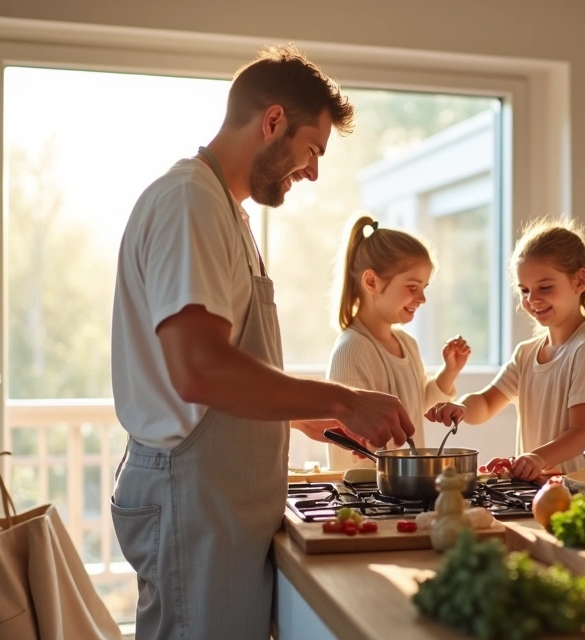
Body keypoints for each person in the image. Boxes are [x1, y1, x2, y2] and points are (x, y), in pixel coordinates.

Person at [109, 44, 415, 640]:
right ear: (272, 120)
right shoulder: (189, 202)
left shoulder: (227, 212)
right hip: (192, 498)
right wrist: (342, 400)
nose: (314, 171)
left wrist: (309, 419)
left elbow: (232, 370)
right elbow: (199, 370)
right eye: (312, 150)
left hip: (216, 500)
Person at [425, 218, 585, 480]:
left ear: (579, 281)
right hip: (540, 491)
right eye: (524, 290)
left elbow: (583, 431)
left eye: (545, 287)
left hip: (578, 495)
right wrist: (461, 408)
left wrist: (537, 458)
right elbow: (486, 403)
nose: (532, 299)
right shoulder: (525, 353)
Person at [325, 214, 471, 470]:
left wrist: (449, 372)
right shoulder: (352, 349)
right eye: (413, 287)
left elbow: (417, 404)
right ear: (372, 282)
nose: (422, 298)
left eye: (424, 287)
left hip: (402, 487)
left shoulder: (407, 344)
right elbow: (350, 439)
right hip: (367, 492)